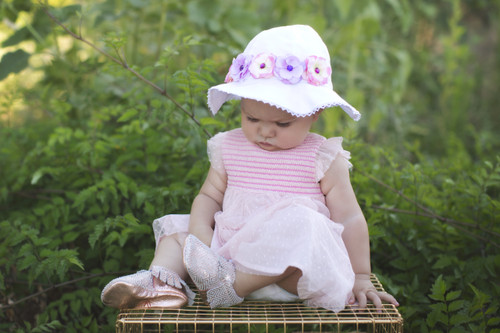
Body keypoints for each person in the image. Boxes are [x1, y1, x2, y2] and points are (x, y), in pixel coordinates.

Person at [101, 24, 399, 312]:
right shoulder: (228, 146)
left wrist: (361, 275)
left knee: (305, 223)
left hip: (289, 276)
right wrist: (199, 237)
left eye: (282, 124)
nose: (264, 132)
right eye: (251, 119)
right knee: (175, 233)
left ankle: (233, 287)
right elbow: (208, 197)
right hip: (227, 257)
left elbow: (349, 216)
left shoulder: (322, 156)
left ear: (314, 113)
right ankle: (162, 281)